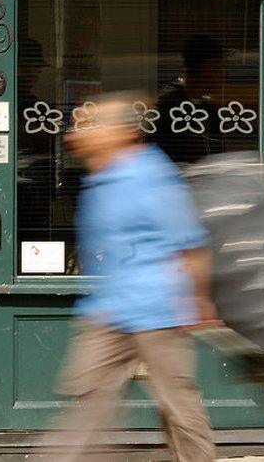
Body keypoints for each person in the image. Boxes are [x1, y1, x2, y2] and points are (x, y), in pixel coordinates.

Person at [45, 91, 217, 461]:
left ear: (119, 133)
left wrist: (199, 300)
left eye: (88, 126)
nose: (76, 133)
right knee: (89, 392)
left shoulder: (152, 177)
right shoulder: (99, 178)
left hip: (159, 307)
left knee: (176, 402)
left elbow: (191, 242)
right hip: (110, 308)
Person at [152, 35, 228, 165]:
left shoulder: (209, 108)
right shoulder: (170, 106)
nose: (223, 74)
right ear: (205, 68)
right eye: (218, 67)